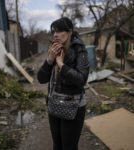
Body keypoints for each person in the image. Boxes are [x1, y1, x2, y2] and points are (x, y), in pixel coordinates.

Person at [37, 17, 89, 150]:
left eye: (59, 31)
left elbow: (81, 80)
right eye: (54, 31)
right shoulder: (55, 49)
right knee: (57, 145)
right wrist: (50, 59)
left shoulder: (80, 50)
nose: (55, 35)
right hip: (54, 103)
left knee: (69, 146)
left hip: (73, 106)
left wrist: (61, 64)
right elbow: (41, 79)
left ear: (70, 32)